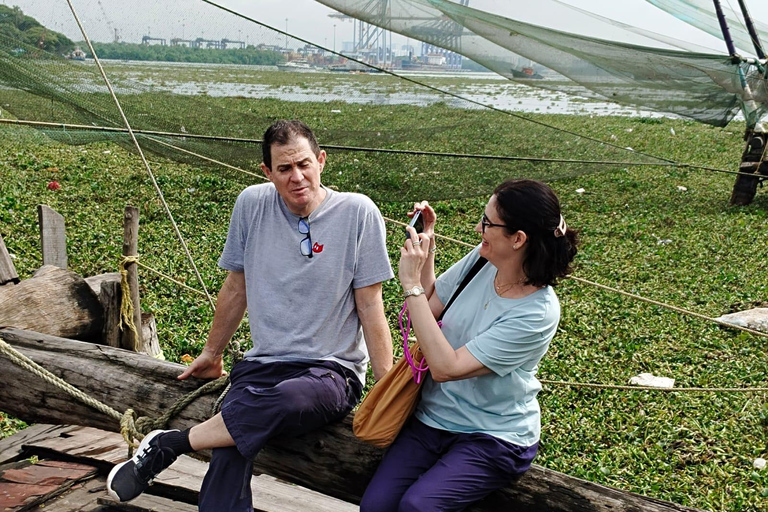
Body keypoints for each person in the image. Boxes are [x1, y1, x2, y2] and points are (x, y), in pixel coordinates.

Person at [107, 119, 394, 511]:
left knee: (290, 399)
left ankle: (170, 443)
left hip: (329, 372)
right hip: (263, 366)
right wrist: (211, 352)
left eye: (304, 164)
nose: (297, 177)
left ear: (322, 161)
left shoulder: (358, 212)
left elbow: (370, 305)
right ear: (267, 172)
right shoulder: (252, 204)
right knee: (229, 448)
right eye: (284, 169)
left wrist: (387, 387)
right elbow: (236, 287)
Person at [360, 179, 578, 512]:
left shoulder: (537, 312)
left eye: (488, 223)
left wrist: (409, 284)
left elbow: (446, 367)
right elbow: (431, 306)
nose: (478, 228)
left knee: (419, 507)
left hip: (493, 436)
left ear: (518, 239)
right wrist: (427, 245)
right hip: (433, 419)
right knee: (375, 506)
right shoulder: (481, 260)